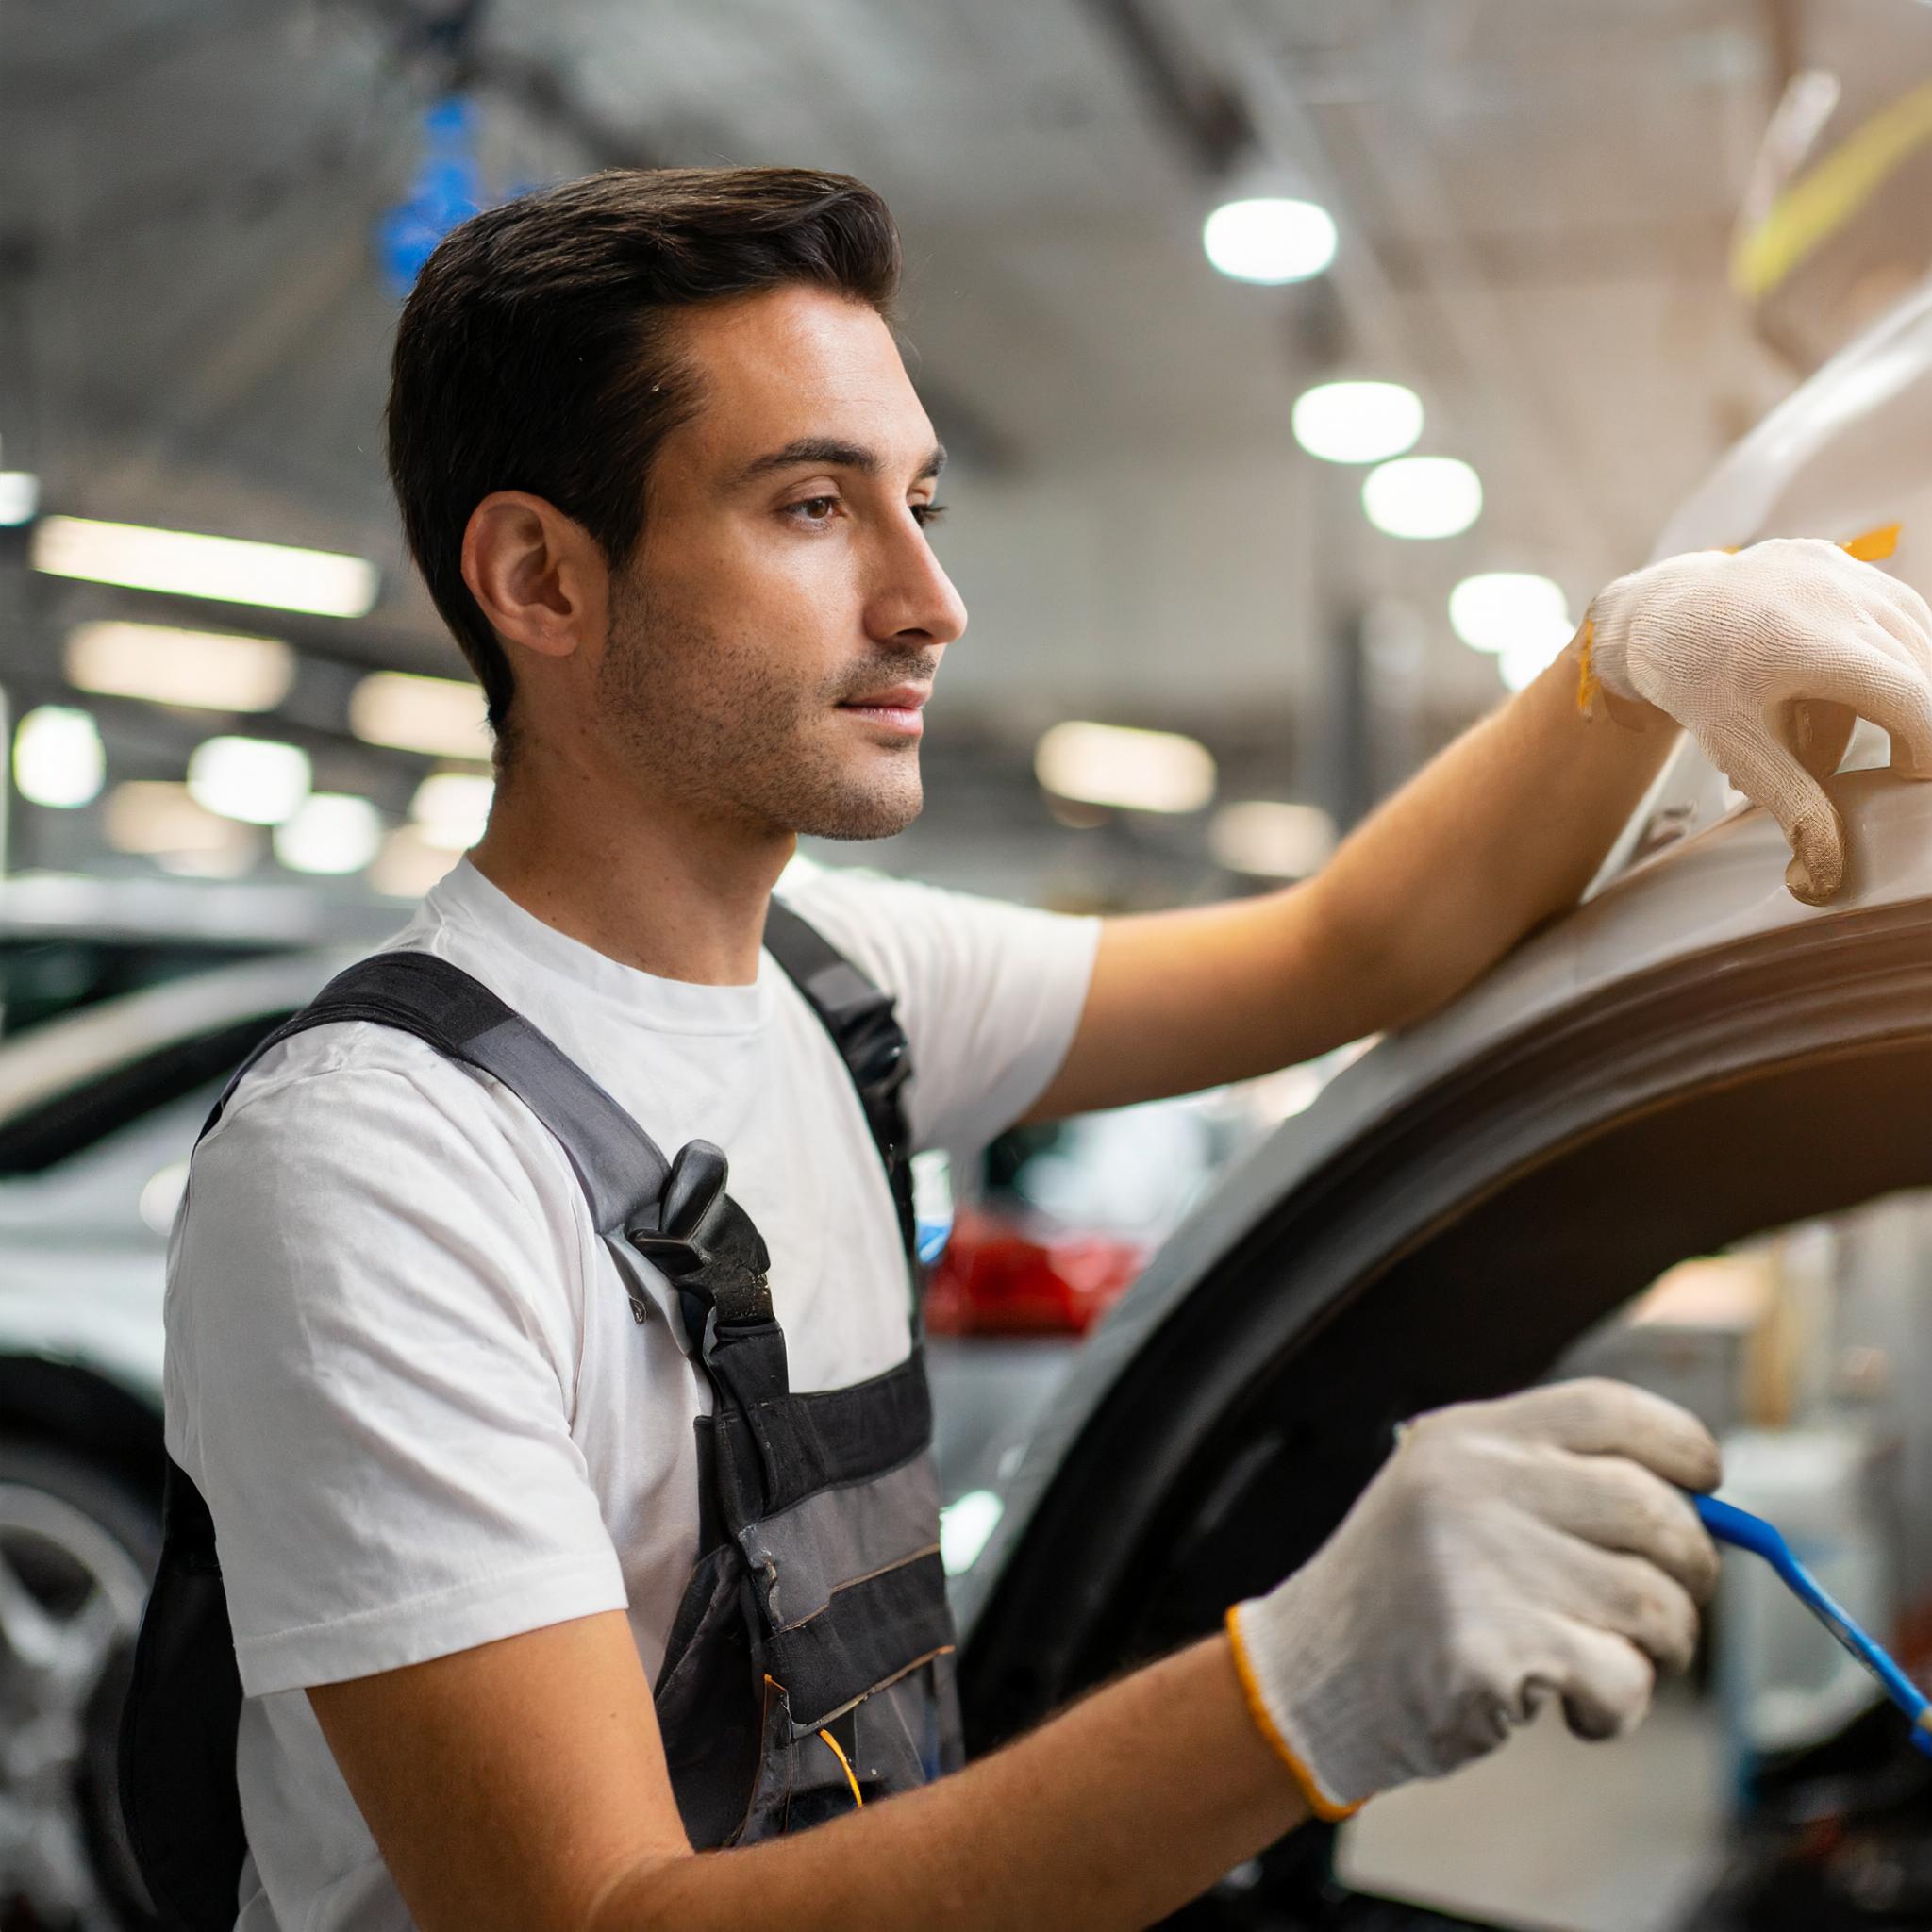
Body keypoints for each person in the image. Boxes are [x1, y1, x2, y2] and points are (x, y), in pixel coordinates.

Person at [165, 166, 1932, 1932]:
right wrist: (1291, 1694)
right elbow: (597, 1917)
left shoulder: (843, 982)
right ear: (542, 578)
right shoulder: (380, 1166)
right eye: (810, 507)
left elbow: (1349, 947)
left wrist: (1630, 658)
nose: (928, 600)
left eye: (921, 502)